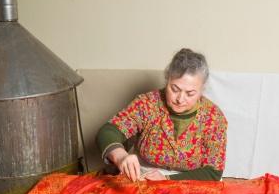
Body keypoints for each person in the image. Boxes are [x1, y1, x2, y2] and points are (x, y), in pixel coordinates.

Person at [96, 48, 227, 181]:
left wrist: (168, 179)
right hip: (144, 175)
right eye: (175, 89)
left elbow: (213, 172)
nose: (180, 99)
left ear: (202, 89)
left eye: (190, 93)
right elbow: (108, 130)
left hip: (193, 181)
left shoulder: (214, 117)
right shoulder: (147, 103)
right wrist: (120, 156)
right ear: (167, 79)